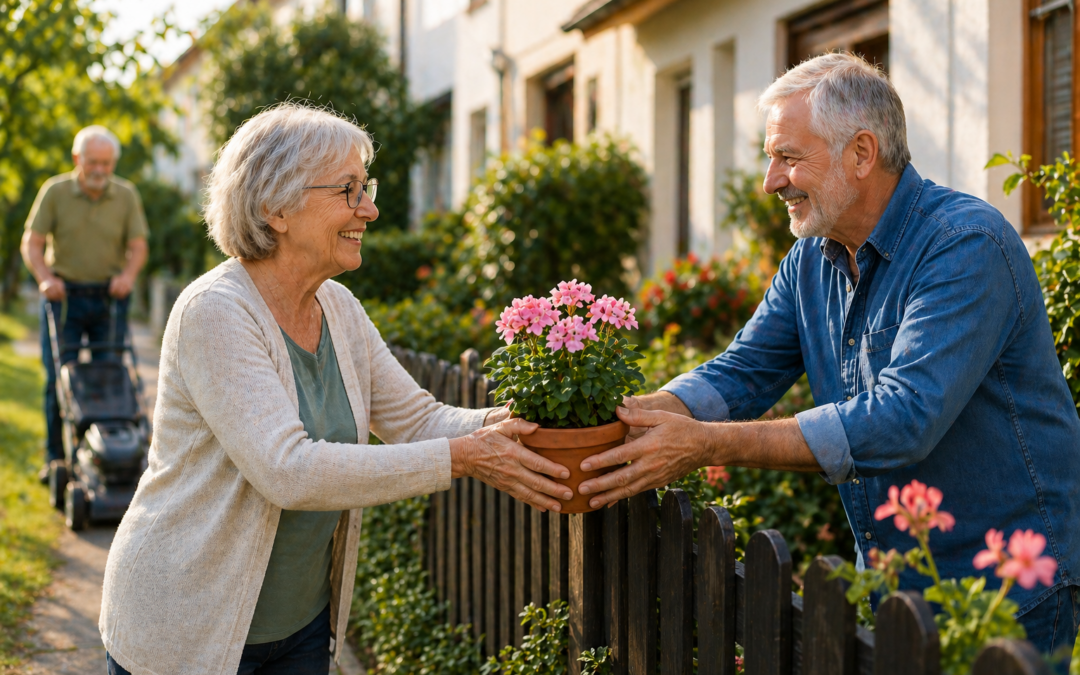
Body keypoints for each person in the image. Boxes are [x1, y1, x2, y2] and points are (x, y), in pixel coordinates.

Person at [577, 53, 1080, 655]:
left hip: (1007, 590)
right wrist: (641, 415)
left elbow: (903, 419)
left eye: (789, 157)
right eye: (772, 158)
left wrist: (707, 444)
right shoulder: (813, 259)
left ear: (861, 154)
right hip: (901, 588)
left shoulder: (964, 246)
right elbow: (743, 371)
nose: (771, 180)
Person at [99, 103, 571, 675]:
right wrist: (461, 459)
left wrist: (528, 420)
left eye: (365, 187)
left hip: (301, 627)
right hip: (185, 628)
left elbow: (419, 419)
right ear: (276, 208)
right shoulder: (215, 313)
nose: (369, 209)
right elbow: (288, 470)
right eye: (349, 190)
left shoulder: (338, 307)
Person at [21, 125, 148, 479]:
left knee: (110, 379)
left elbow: (138, 246)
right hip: (65, 298)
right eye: (93, 162)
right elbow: (32, 242)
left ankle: (105, 456)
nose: (100, 171)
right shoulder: (55, 191)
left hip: (109, 298)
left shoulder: (126, 195)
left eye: (107, 164)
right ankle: (56, 458)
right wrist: (46, 278)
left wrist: (128, 276)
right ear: (77, 159)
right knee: (58, 380)